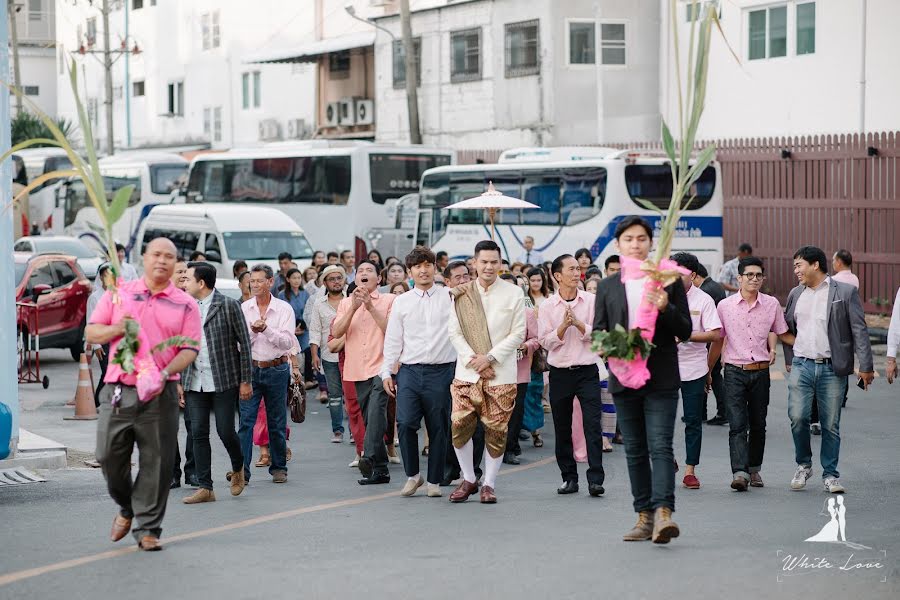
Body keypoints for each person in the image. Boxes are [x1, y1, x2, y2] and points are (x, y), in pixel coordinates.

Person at [87, 237, 201, 551]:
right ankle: (127, 506)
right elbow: (92, 331)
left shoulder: (185, 303)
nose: (162, 260)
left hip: (160, 391)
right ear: (145, 258)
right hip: (118, 390)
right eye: (156, 254)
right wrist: (116, 329)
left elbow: (190, 348)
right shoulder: (120, 294)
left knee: (158, 461)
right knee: (108, 456)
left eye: (169, 256)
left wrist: (163, 374)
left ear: (177, 263)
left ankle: (149, 527)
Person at [593, 216, 692, 544]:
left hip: (661, 375)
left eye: (641, 239)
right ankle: (643, 517)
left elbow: (686, 330)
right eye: (628, 239)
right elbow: (598, 330)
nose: (635, 244)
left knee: (660, 445)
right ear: (618, 245)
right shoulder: (608, 286)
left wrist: (665, 307)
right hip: (623, 378)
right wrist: (614, 352)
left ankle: (665, 514)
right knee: (634, 449)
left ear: (651, 243)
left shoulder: (666, 279)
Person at [783, 246, 873, 494]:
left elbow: (859, 330)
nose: (796, 271)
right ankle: (804, 464)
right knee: (798, 417)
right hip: (801, 364)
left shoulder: (844, 292)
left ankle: (831, 474)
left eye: (799, 265)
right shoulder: (795, 293)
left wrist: (866, 366)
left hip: (832, 367)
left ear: (815, 265)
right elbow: (787, 326)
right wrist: (789, 358)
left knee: (830, 423)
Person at [447, 240, 525, 504]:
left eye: (494, 262)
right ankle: (469, 478)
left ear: (500, 264)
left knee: (496, 431)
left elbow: (518, 333)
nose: (489, 266)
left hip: (501, 373)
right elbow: (454, 332)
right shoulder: (462, 293)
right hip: (467, 373)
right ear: (474, 263)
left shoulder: (513, 293)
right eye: (484, 262)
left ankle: (489, 483)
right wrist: (474, 360)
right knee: (459, 425)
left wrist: (490, 357)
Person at [709, 256, 794, 492]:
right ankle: (740, 473)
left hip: (761, 372)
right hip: (734, 372)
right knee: (737, 424)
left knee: (758, 424)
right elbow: (718, 340)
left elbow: (783, 333)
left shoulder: (771, 304)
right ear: (739, 278)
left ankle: (754, 467)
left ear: (763, 278)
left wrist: (807, 345)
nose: (754, 279)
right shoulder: (724, 307)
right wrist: (708, 370)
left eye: (758, 275)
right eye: (749, 275)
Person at [381, 247, 457, 498]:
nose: (423, 270)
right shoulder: (401, 301)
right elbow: (393, 340)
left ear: (435, 268)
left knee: (438, 428)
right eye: (418, 266)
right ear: (410, 271)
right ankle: (413, 475)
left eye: (428, 265)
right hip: (410, 372)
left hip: (442, 370)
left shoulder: (450, 296)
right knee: (404, 424)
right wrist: (386, 373)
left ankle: (434, 481)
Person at [180, 262, 251, 504]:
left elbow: (245, 345)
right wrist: (179, 381)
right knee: (197, 432)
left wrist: (245, 381)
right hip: (194, 379)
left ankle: (238, 466)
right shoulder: (185, 308)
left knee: (225, 430)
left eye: (188, 278)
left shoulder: (228, 305)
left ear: (201, 283)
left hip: (224, 380)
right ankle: (205, 487)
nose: (183, 282)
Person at [537, 254, 606, 496]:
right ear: (557, 276)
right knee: (562, 428)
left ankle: (596, 479)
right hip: (559, 374)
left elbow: (600, 334)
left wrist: (578, 324)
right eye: (572, 269)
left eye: (578, 269)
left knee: (592, 425)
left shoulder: (591, 301)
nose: (577, 273)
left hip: (587, 371)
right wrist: (563, 327)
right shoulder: (546, 306)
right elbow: (545, 342)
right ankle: (569, 478)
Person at [332, 260, 395, 485]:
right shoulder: (345, 303)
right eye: (360, 272)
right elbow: (336, 331)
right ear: (355, 278)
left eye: (370, 271)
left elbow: (392, 330)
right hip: (357, 369)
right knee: (370, 419)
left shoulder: (389, 300)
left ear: (379, 279)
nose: (364, 274)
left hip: (383, 368)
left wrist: (370, 306)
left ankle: (366, 456)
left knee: (377, 411)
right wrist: (354, 307)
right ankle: (380, 470)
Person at [238, 264, 299, 485]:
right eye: (251, 281)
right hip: (251, 369)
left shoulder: (284, 309)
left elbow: (287, 342)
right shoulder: (244, 308)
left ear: (270, 282)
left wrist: (266, 330)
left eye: (259, 281)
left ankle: (279, 467)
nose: (254, 285)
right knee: (246, 421)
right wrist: (253, 333)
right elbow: (239, 344)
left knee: (276, 421)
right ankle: (241, 470)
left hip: (277, 368)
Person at [670, 253, 721, 490]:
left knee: (693, 420)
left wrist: (686, 335)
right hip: (665, 366)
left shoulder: (704, 300)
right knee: (662, 418)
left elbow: (714, 334)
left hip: (694, 368)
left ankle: (690, 470)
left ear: (691, 274)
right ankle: (668, 457)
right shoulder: (660, 297)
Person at [503, 276, 540, 466]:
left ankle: (510, 448)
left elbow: (536, 339)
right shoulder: (492, 311)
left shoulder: (528, 313)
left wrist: (525, 347)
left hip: (519, 370)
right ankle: (496, 447)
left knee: (515, 412)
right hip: (496, 369)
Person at [310, 266, 347, 443]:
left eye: (339, 278)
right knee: (334, 395)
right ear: (325, 283)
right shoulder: (319, 304)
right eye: (331, 279)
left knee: (352, 395)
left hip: (351, 355)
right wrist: (314, 354)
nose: (336, 281)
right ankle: (338, 431)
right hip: (328, 356)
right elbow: (315, 330)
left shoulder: (351, 300)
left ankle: (356, 431)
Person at [170, 257, 195, 489]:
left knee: (194, 425)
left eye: (187, 273)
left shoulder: (195, 303)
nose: (183, 276)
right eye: (179, 272)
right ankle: (172, 473)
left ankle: (193, 471)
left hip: (194, 374)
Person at [692, 263, 727, 425]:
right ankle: (703, 412)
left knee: (711, 376)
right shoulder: (716, 286)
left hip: (712, 341)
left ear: (696, 276)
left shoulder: (705, 292)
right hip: (717, 340)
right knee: (713, 376)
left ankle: (721, 411)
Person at [277, 268, 312, 386]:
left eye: (299, 278)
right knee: (290, 352)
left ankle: (309, 379)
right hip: (288, 328)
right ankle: (290, 379)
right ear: (288, 279)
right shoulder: (282, 295)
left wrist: (302, 327)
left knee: (308, 349)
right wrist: (292, 329)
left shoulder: (305, 293)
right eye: (294, 278)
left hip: (303, 327)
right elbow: (281, 314)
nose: (297, 280)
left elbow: (308, 312)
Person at [87, 263, 112, 407]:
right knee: (107, 371)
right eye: (106, 275)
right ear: (101, 277)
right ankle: (96, 401)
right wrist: (96, 345)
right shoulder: (95, 298)